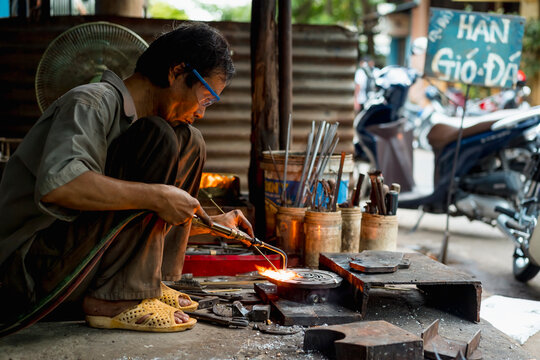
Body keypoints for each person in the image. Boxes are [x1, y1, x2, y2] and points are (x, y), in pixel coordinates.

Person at [0, 21, 253, 334]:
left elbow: (126, 219)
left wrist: (213, 224)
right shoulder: (91, 102)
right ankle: (117, 299)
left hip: (74, 262)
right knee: (159, 136)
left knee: (190, 140)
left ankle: (150, 281)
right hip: (25, 273)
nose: (202, 111)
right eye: (205, 97)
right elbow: (60, 185)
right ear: (176, 72)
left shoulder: (144, 125)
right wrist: (158, 196)